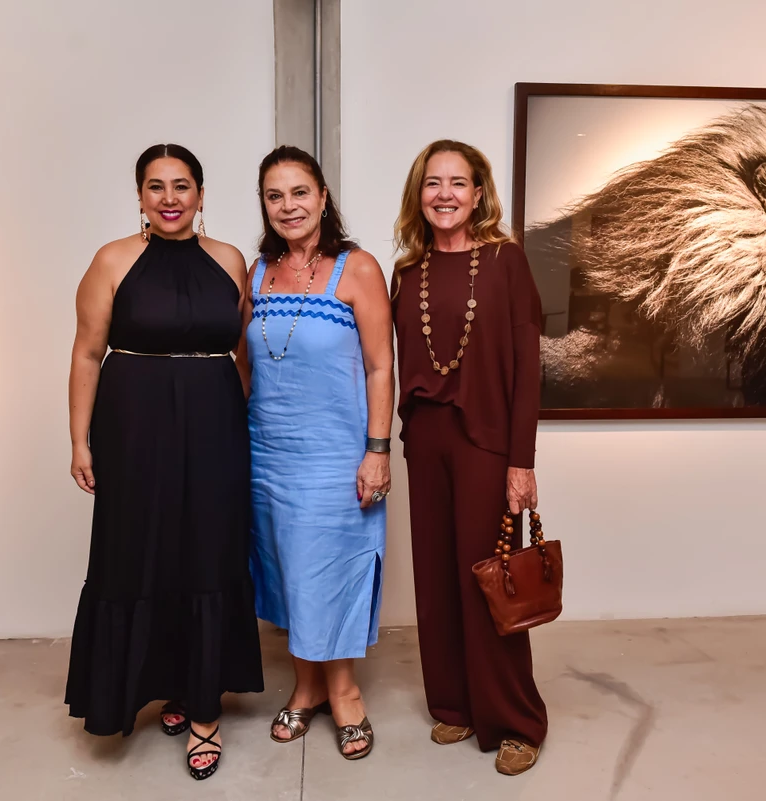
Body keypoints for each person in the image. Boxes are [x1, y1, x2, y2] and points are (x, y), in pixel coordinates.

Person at [64, 144, 263, 781]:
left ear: (202, 196)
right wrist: (79, 440)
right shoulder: (112, 260)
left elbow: (243, 353)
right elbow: (87, 354)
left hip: (214, 426)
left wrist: (238, 419)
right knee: (139, 550)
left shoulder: (230, 260)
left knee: (207, 550)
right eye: (157, 186)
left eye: (183, 186)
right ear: (141, 196)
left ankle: (203, 707)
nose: (170, 198)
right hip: (134, 427)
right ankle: (145, 687)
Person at [391, 140, 548, 776]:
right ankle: (454, 703)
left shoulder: (506, 261)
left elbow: (528, 369)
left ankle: (516, 721)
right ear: (418, 194)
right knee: (435, 576)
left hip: (486, 440)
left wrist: (521, 460)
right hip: (424, 440)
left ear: (479, 194)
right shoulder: (407, 270)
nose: (445, 194)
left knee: (492, 580)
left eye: (459, 183)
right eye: (433, 183)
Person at [236, 145, 392, 760]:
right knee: (282, 570)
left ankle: (345, 691)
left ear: (323, 197)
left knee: (330, 568)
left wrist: (376, 450)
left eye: (299, 192)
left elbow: (382, 368)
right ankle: (306, 687)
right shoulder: (256, 272)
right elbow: (245, 365)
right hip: (266, 452)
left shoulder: (358, 269)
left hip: (335, 454)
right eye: (275, 196)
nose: (288, 206)